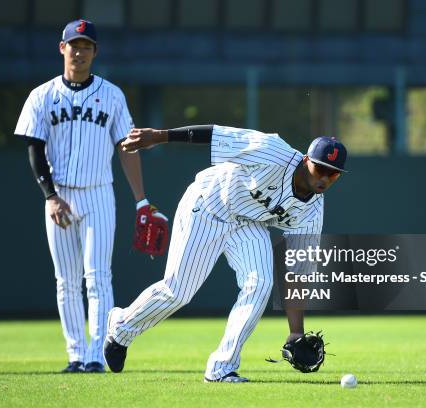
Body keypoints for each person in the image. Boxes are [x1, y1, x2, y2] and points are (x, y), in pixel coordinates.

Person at [104, 124, 347, 382]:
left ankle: (222, 368)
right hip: (209, 203)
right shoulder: (272, 151)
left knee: (261, 283)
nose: (324, 178)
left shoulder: (312, 213)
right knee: (178, 291)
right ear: (306, 160)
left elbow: (296, 273)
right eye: (320, 168)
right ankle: (121, 328)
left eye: (333, 174)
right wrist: (159, 137)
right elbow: (215, 134)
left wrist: (295, 333)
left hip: (248, 222)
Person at [14, 19, 161, 373]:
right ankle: (75, 354)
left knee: (97, 278)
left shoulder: (112, 95)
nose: (79, 52)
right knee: (66, 281)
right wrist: (49, 195)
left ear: (95, 52)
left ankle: (96, 355)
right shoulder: (43, 95)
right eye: (74, 45)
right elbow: (34, 148)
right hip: (60, 196)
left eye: (86, 46)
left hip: (98, 194)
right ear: (62, 48)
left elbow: (127, 147)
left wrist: (141, 200)